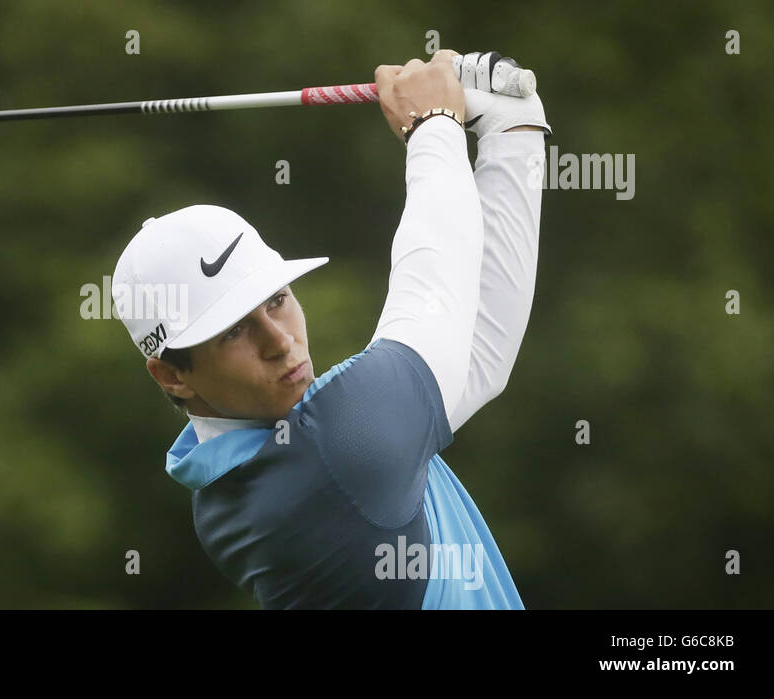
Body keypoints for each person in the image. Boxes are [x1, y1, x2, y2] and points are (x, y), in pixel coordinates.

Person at [110, 50, 551, 608]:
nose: (279, 340)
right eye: (232, 332)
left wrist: (513, 132)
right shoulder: (335, 456)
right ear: (172, 374)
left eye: (277, 300)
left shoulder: (238, 485)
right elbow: (433, 292)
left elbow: (475, 351)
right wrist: (433, 126)